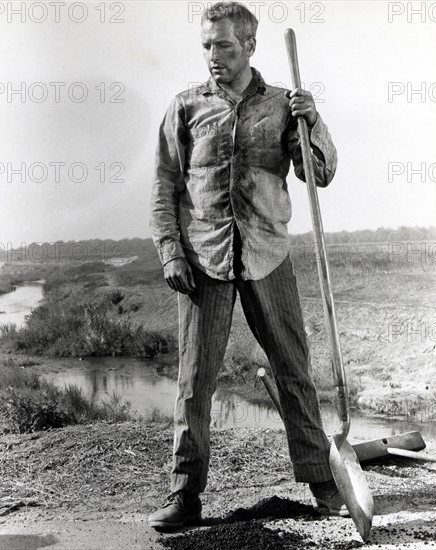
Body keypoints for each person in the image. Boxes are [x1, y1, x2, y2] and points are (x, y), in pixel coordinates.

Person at [149, 1, 348, 532]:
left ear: (250, 46)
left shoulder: (285, 104)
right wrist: (170, 250)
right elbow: (164, 188)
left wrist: (315, 122)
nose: (213, 55)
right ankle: (184, 495)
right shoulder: (185, 107)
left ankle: (322, 481)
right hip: (202, 260)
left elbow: (319, 174)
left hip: (267, 254)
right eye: (207, 46)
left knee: (294, 371)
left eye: (224, 45)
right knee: (195, 380)